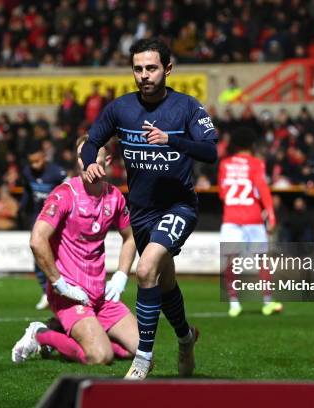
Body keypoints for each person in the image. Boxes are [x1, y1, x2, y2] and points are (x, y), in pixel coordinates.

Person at [80, 38, 218, 379]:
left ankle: (142, 359)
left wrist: (172, 140)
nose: (144, 75)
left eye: (152, 68)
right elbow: (92, 141)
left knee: (145, 270)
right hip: (140, 211)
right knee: (163, 281)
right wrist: (88, 164)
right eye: (138, 69)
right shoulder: (120, 108)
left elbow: (210, 151)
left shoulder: (187, 107)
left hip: (178, 206)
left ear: (168, 69)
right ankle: (186, 339)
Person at [12, 136, 138, 365]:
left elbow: (131, 237)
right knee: (101, 356)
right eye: (82, 157)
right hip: (71, 296)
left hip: (100, 294)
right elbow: (37, 240)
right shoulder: (64, 194)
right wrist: (60, 284)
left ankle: (71, 329)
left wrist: (121, 275)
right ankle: (41, 334)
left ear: (107, 160)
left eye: (92, 156)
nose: (85, 162)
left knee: (141, 351)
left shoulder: (115, 197)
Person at [218, 127, 282, 317]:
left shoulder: (225, 164)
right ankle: (268, 302)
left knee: (230, 261)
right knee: (263, 260)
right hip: (253, 218)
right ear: (252, 144)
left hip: (231, 217)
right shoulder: (256, 163)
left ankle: (234, 303)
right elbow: (263, 190)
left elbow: (222, 193)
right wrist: (271, 215)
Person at [19, 142, 67, 310]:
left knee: (60, 256)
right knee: (38, 254)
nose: (34, 165)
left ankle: (63, 290)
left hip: (59, 221)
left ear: (44, 157)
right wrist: (22, 208)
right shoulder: (27, 172)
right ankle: (46, 292)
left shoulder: (58, 173)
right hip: (39, 219)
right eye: (31, 162)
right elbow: (27, 192)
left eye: (37, 161)